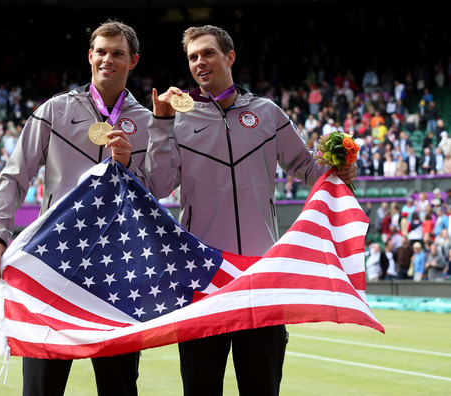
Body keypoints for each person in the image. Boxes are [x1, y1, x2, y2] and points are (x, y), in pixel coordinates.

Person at [144, 25, 357, 396]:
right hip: (203, 278)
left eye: (207, 53)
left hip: (261, 274)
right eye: (193, 57)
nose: (199, 63)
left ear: (229, 57)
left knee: (261, 388)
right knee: (200, 388)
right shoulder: (178, 118)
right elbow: (159, 186)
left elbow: (307, 168)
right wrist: (161, 122)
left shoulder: (266, 112)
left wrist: (339, 168)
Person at [0, 20, 152, 396]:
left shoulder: (147, 121)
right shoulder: (55, 109)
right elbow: (16, 174)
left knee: (119, 385)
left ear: (133, 60)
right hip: (55, 260)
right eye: (101, 51)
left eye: (118, 53)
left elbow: (157, 189)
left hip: (117, 266)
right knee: (42, 385)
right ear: (90, 56)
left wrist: (128, 166)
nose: (108, 59)